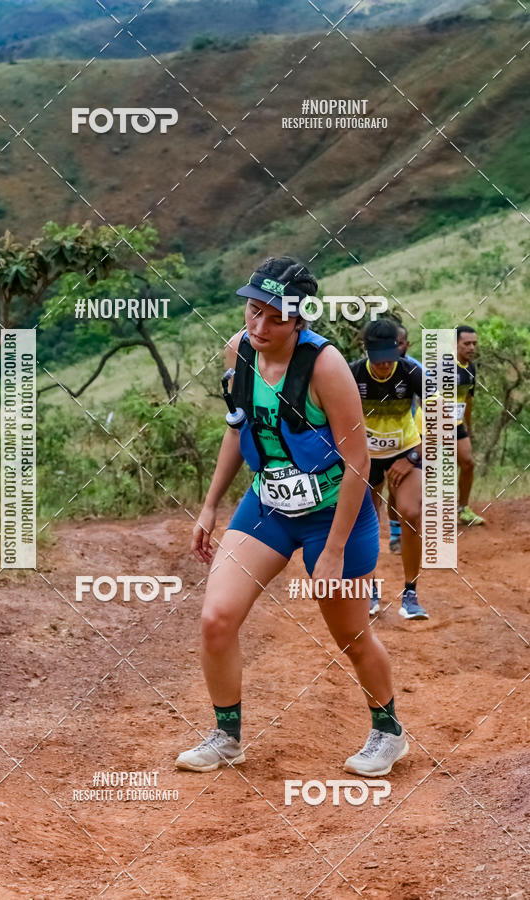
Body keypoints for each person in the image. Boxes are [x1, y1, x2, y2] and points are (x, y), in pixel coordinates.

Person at [175, 257, 408, 778]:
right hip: (269, 506)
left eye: (274, 317)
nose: (259, 327)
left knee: (349, 635)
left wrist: (332, 552)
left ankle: (388, 732)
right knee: (216, 619)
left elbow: (358, 462)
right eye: (253, 311)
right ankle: (226, 735)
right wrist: (211, 505)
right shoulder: (240, 350)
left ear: (300, 319)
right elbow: (238, 429)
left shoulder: (325, 368)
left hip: (333, 515)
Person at [349, 318, 428, 620]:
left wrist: (410, 458)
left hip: (406, 452)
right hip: (365, 457)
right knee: (365, 520)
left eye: (390, 359)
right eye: (377, 359)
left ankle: (411, 593)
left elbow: (439, 420)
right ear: (366, 351)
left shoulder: (412, 373)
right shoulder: (351, 374)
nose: (384, 366)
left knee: (410, 512)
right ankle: (370, 586)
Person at [387, 324, 423, 554]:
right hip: (372, 443)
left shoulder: (416, 370)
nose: (394, 348)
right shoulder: (366, 369)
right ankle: (393, 531)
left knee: (397, 489)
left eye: (399, 343)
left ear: (407, 345)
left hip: (404, 439)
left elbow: (432, 408)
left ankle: (397, 534)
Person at [456, 325, 484, 525]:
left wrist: (468, 426)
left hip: (456, 423)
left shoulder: (471, 368)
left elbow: (468, 400)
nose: (471, 347)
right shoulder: (443, 367)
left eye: (474, 343)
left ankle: (463, 509)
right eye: (466, 344)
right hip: (432, 425)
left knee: (468, 462)